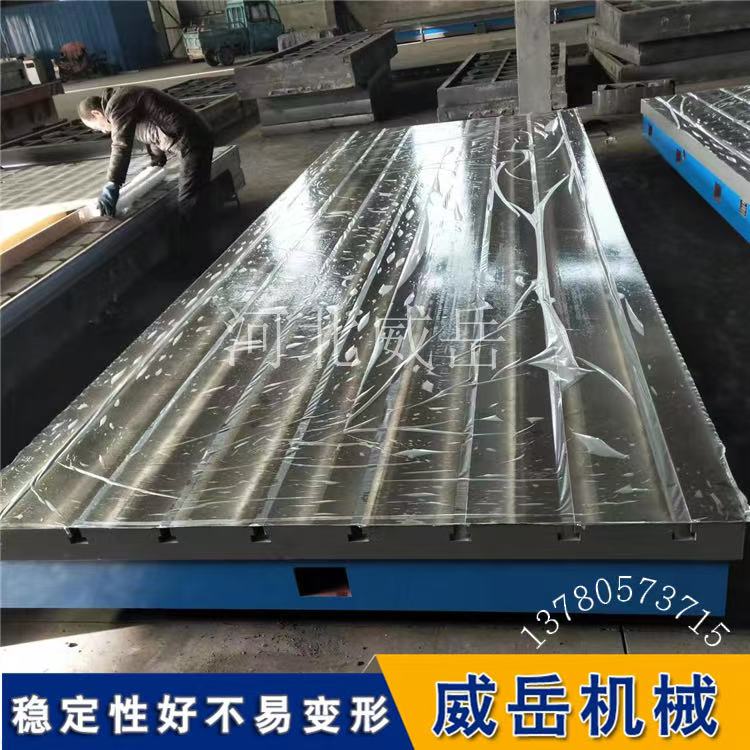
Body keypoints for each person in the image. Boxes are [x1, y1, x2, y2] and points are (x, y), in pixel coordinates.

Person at [78, 85, 214, 219]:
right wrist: (157, 161)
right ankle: (206, 223)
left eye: (97, 128)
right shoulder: (123, 100)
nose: (103, 131)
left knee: (188, 200)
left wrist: (113, 182)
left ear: (96, 113)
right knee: (198, 192)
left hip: (190, 140)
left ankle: (194, 230)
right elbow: (151, 130)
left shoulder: (117, 105)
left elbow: (121, 145)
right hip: (193, 136)